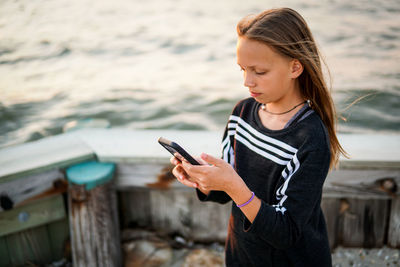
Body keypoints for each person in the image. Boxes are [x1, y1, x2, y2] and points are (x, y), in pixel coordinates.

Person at [170, 7, 346, 267]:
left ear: (295, 67)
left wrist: (234, 186)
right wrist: (203, 179)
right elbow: (226, 192)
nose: (247, 81)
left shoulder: (310, 137)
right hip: (242, 256)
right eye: (242, 69)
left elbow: (286, 232)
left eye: (259, 72)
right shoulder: (241, 114)